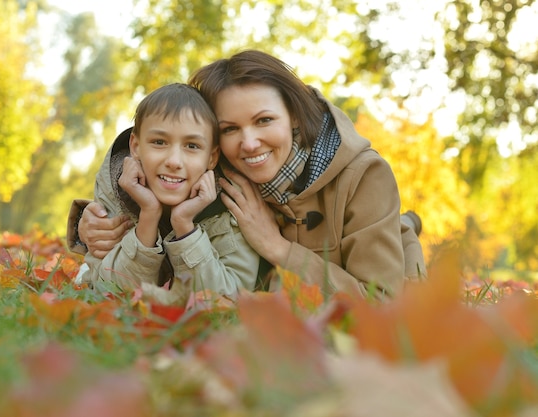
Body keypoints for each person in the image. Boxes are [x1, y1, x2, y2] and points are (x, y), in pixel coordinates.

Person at [71, 51, 426, 300]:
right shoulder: (216, 166)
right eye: (229, 128)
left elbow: (380, 305)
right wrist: (97, 220)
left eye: (264, 120)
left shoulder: (363, 176)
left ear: (295, 118)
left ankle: (406, 223)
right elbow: (160, 147)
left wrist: (278, 248)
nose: (249, 143)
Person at [69, 83, 261, 304]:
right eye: (159, 142)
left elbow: (227, 300)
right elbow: (110, 292)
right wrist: (148, 216)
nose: (173, 161)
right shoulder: (116, 186)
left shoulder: (231, 202)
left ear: (212, 157)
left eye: (192, 146)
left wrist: (184, 226)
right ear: (136, 146)